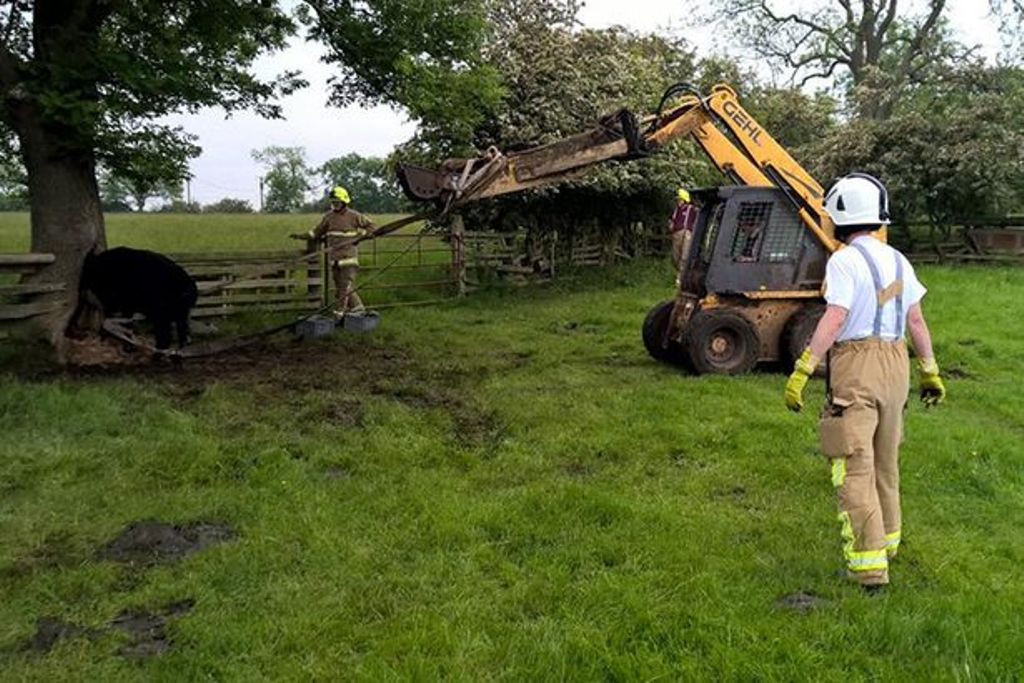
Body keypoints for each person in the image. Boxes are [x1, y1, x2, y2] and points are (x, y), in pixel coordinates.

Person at [783, 172, 946, 593]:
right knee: (886, 462)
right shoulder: (898, 260)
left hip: (858, 366)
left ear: (839, 215)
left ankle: (869, 570)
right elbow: (915, 320)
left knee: (854, 466)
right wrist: (930, 370)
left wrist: (804, 368)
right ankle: (887, 544)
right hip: (897, 367)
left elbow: (834, 318)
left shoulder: (843, 261)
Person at [294, 186, 376, 317]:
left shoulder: (354, 216)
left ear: (344, 202)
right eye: (333, 202)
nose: (334, 205)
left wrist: (361, 236)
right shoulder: (328, 217)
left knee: (344, 286)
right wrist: (301, 236)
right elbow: (316, 232)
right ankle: (358, 309)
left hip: (349, 259)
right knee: (340, 287)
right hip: (335, 259)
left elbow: (372, 227)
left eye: (337, 202)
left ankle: (339, 313)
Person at [669, 187, 698, 269]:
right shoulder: (677, 210)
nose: (678, 202)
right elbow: (672, 219)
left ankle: (680, 276)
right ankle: (678, 268)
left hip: (687, 233)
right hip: (677, 233)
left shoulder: (691, 209)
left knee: (684, 255)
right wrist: (671, 225)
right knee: (675, 255)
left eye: (680, 200)